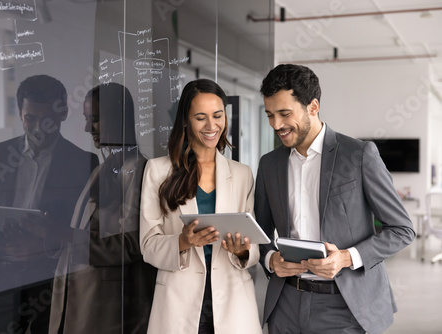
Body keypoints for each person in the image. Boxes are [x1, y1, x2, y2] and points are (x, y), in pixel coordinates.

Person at [255, 64, 416, 334]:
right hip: (285, 304)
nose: (276, 125)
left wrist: (345, 257)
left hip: (343, 305)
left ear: (313, 107)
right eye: (270, 115)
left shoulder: (359, 155)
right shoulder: (269, 164)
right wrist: (270, 258)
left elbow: (402, 229)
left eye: (284, 114)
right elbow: (259, 233)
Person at [0, 75, 99, 333]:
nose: (38, 127)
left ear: (61, 114)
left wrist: (45, 247)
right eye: (30, 118)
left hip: (52, 281)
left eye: (46, 119)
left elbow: (89, 235)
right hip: (0, 277)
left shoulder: (84, 163)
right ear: (20, 113)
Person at [139, 78, 263, 334]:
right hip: (178, 304)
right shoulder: (158, 170)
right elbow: (148, 246)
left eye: (218, 116)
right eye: (200, 117)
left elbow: (254, 249)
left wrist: (242, 251)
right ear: (185, 120)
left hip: (233, 304)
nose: (211, 125)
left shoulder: (242, 174)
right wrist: (182, 242)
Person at [48, 83, 156, 333]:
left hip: (107, 308)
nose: (87, 128)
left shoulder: (139, 170)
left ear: (119, 118)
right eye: (87, 119)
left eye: (94, 120)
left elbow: (132, 244)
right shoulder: (102, 169)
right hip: (83, 301)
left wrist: (66, 234)